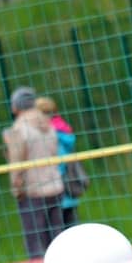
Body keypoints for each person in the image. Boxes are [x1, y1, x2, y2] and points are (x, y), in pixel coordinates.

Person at [2, 86, 63, 259]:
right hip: (55, 186)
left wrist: (17, 189)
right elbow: (54, 152)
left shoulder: (19, 129)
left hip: (33, 191)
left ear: (16, 106)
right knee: (57, 241)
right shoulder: (48, 124)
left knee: (36, 244)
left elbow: (16, 164)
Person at [37, 96, 80, 229]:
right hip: (69, 189)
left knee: (59, 230)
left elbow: (59, 164)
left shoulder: (51, 134)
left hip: (57, 191)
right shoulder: (63, 129)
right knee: (71, 226)